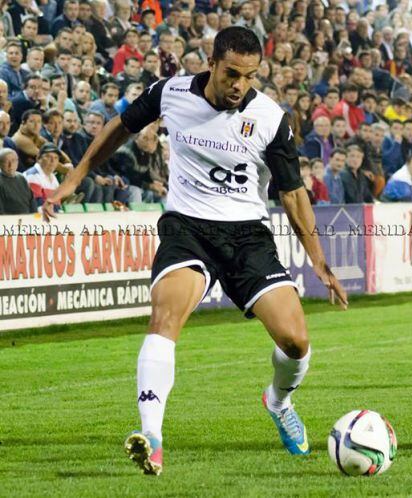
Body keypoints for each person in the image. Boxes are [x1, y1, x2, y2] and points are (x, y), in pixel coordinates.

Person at [42, 26, 348, 475]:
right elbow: (120, 128)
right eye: (230, 74)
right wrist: (75, 178)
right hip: (187, 227)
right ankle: (152, 434)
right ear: (212, 62)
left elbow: (292, 192)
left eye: (248, 76)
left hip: (247, 236)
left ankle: (279, 401)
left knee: (296, 342)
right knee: (165, 318)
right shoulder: (171, 93)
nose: (238, 85)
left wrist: (319, 260)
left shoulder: (269, 118)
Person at [0, 148, 35, 214]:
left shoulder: (21, 178)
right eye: (6, 161)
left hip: (27, 220)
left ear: (17, 162)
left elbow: (32, 202)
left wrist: (35, 219)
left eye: (13, 161)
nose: (10, 165)